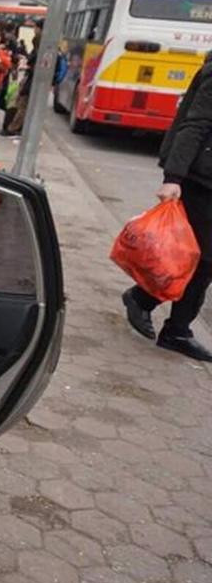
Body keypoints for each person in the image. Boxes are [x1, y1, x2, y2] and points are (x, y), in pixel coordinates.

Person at [121, 56, 212, 362]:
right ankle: (169, 322)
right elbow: (196, 123)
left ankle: (152, 307)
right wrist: (173, 178)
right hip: (201, 178)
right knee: (199, 258)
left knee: (201, 260)